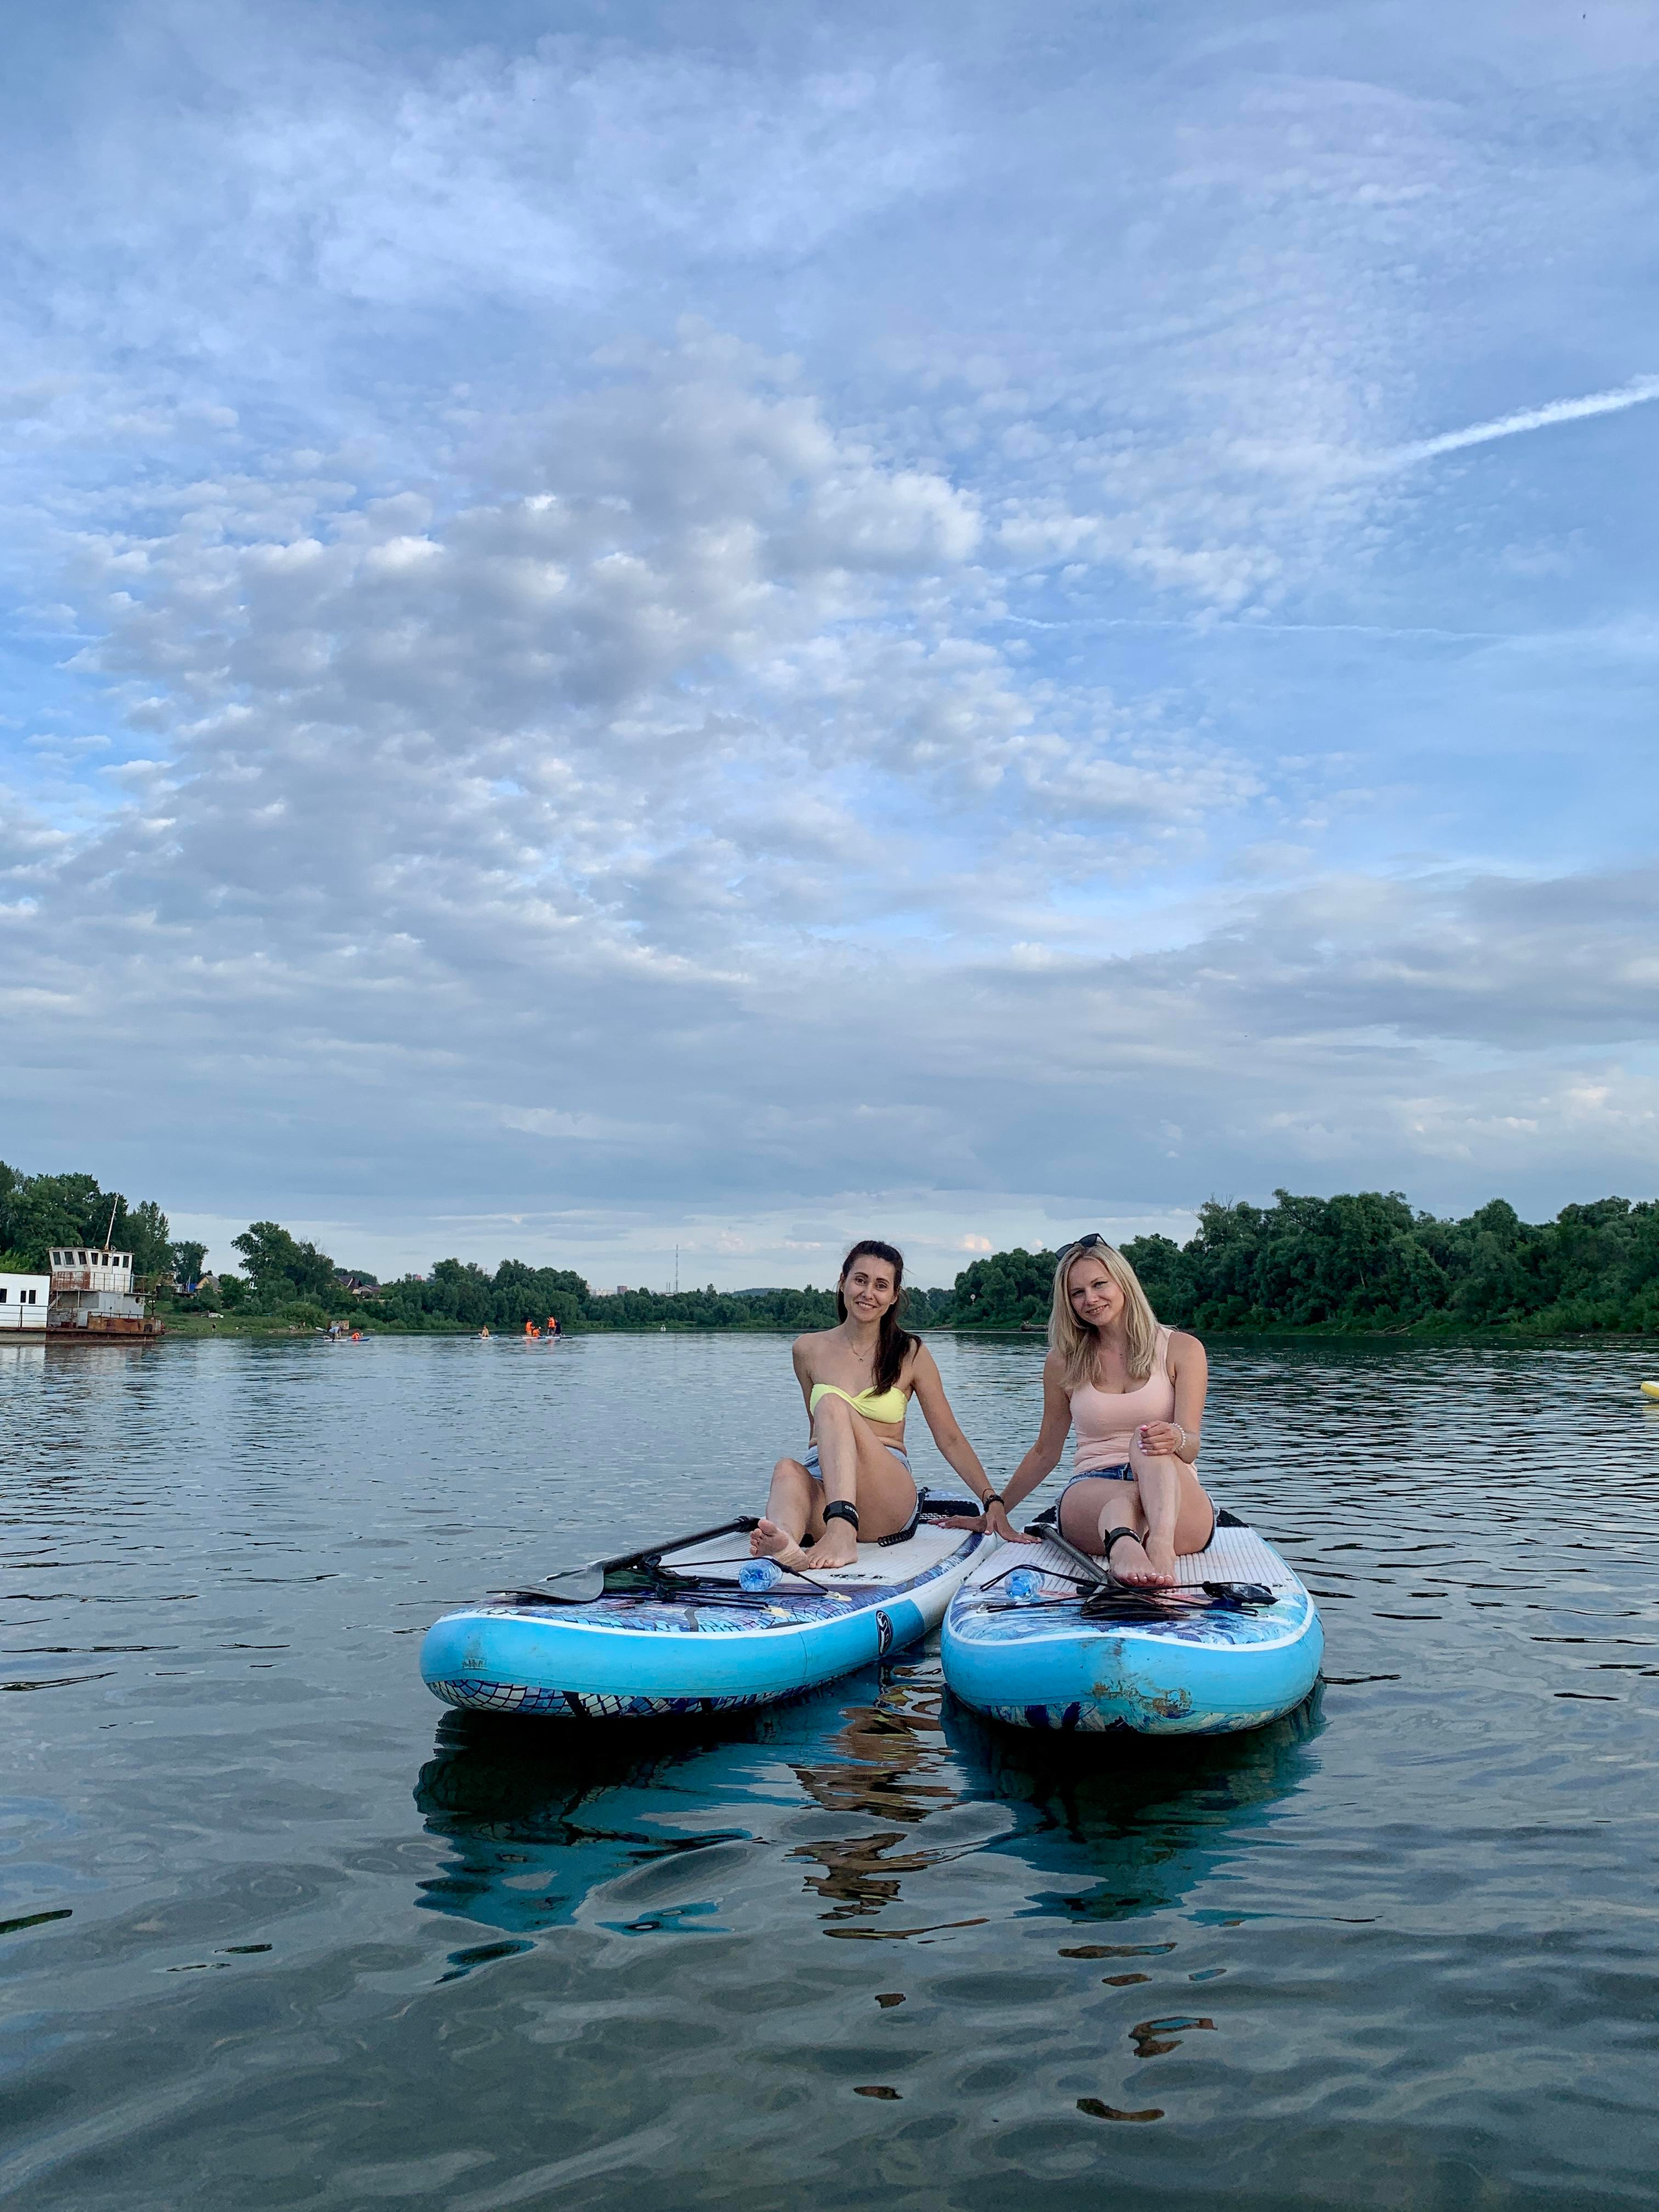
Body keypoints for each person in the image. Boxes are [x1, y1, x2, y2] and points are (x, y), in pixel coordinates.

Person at [750, 1238, 1018, 1571]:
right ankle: (785, 1542)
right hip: (825, 1482)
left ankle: (843, 1531)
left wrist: (991, 1499)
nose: (868, 1293)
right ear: (843, 1282)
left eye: (881, 1286)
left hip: (885, 1495)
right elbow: (816, 1431)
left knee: (832, 1403)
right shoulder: (807, 1349)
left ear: (893, 1297)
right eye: (860, 1280)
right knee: (786, 1468)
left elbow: (949, 1437)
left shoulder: (911, 1353)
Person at [995, 1235, 1214, 1587]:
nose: (1090, 1299)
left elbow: (1191, 1445)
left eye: (1099, 1285)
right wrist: (997, 1507)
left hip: (1174, 1497)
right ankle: (1124, 1545)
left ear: (1123, 1283)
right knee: (1122, 1497)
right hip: (1093, 1490)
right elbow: (1045, 1451)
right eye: (1077, 1293)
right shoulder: (1062, 1363)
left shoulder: (1182, 1349)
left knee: (1146, 1440)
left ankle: (1158, 1545)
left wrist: (1175, 1437)